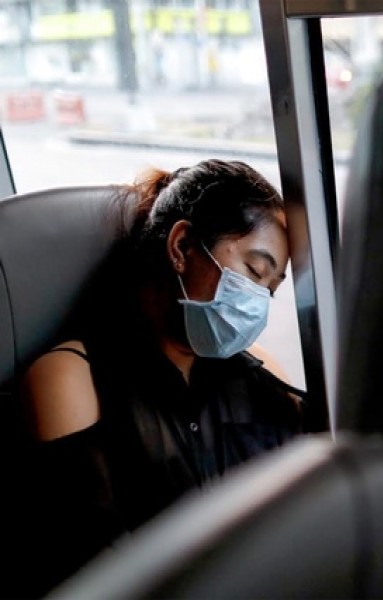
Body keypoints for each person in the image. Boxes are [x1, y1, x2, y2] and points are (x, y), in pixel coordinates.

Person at [19, 159, 306, 594]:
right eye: (253, 271)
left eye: (270, 289)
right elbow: (92, 567)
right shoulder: (72, 377)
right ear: (182, 245)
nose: (258, 303)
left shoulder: (260, 370)